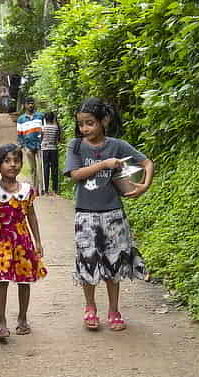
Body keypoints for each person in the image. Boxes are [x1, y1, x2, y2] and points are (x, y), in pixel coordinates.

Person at [64, 97, 154, 331]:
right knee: (88, 262)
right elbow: (75, 174)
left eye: (90, 123)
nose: (85, 129)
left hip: (114, 214)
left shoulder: (118, 145)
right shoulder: (75, 145)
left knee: (114, 263)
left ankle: (114, 310)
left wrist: (144, 185)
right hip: (85, 215)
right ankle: (90, 307)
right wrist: (104, 165)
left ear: (104, 121)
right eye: (82, 124)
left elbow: (147, 163)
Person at [0, 143, 47, 339]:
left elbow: (31, 216)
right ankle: (1, 321)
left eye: (16, 161)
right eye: (7, 161)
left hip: (23, 242)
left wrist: (38, 242)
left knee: (25, 281)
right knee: (2, 280)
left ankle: (23, 318)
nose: (12, 165)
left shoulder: (26, 189)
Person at [16, 97, 43, 191]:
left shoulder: (40, 116)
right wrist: (22, 146)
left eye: (32, 103)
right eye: (28, 103)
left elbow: (45, 129)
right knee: (33, 169)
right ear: (25, 105)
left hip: (40, 145)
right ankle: (35, 189)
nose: (31, 105)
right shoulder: (21, 119)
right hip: (28, 147)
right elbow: (19, 134)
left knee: (40, 168)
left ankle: (42, 189)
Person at [41, 111, 61, 195]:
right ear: (53, 118)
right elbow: (58, 139)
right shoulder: (56, 128)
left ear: (45, 118)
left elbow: (41, 138)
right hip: (54, 149)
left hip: (45, 149)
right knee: (54, 168)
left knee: (45, 168)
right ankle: (55, 189)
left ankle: (46, 189)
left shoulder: (43, 128)